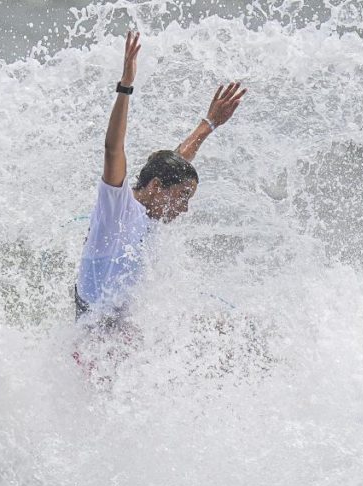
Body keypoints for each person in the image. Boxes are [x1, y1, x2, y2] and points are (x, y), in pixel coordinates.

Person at [75, 31, 247, 326]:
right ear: (155, 187)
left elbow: (177, 162)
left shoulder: (152, 208)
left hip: (122, 328)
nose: (184, 208)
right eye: (181, 197)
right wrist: (126, 86)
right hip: (92, 337)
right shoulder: (118, 206)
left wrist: (208, 125)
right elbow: (113, 149)